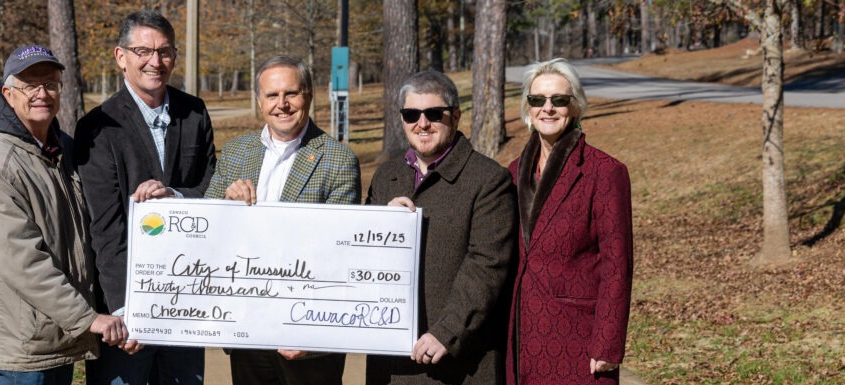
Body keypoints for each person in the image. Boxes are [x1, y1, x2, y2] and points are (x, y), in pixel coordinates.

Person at [0, 45, 139, 385]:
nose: (42, 94)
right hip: (26, 343)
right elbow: (20, 261)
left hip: (59, 332)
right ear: (8, 93)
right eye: (30, 85)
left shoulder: (63, 149)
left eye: (50, 84)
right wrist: (88, 319)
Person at [69, 10, 216, 385]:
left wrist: (176, 195)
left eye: (165, 51)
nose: (156, 61)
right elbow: (105, 227)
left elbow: (212, 188)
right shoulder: (98, 127)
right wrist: (124, 311)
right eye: (144, 51)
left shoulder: (194, 113)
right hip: (126, 307)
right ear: (121, 57)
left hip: (186, 298)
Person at [205, 55, 361, 385]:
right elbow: (206, 228)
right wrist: (226, 204)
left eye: (291, 93)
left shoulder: (338, 158)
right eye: (272, 95)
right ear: (259, 101)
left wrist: (313, 331)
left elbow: (339, 253)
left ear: (308, 95)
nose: (282, 104)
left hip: (305, 336)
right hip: (247, 327)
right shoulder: (236, 152)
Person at [365, 70, 517, 385]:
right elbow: (358, 257)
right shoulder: (386, 176)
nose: (422, 124)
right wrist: (378, 222)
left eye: (434, 114)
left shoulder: (489, 180)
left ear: (456, 116)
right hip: (391, 363)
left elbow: (488, 266)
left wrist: (447, 332)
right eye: (411, 114)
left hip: (457, 361)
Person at [506, 58, 634, 385]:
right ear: (528, 107)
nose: (547, 108)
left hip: (577, 337)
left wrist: (608, 343)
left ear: (575, 106)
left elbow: (617, 264)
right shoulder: (512, 172)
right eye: (538, 100)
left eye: (559, 100)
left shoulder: (604, 172)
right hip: (519, 336)